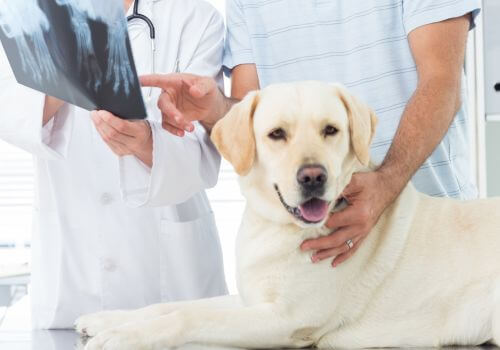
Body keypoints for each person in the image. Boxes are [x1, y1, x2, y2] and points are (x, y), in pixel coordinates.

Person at [141, 0, 481, 267]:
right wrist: (212, 108)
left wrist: (384, 187)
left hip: (426, 231)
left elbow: (442, 84)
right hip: (316, 248)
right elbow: (252, 119)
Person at [0, 0, 227, 329]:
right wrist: (76, 61)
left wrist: (146, 143)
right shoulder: (33, 13)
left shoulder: (193, 17)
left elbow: (204, 150)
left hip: (175, 286)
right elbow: (10, 108)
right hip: (74, 280)